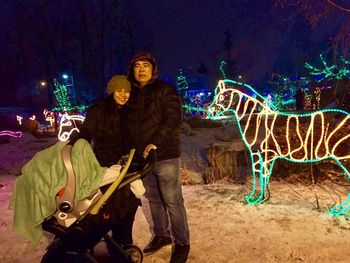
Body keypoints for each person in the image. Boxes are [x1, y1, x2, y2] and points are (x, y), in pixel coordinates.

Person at [125, 52, 190, 263]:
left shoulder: (165, 90)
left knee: (173, 201)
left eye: (145, 65)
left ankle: (181, 243)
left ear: (153, 69)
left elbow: (173, 118)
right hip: (142, 159)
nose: (141, 69)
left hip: (165, 155)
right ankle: (161, 235)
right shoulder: (130, 94)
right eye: (137, 66)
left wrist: (156, 142)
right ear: (132, 70)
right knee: (153, 198)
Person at [69, 75, 140, 255]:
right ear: (111, 91)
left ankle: (123, 245)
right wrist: (74, 144)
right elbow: (86, 132)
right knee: (104, 209)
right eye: (119, 91)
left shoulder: (131, 112)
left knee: (128, 207)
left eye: (127, 91)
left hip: (127, 166)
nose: (123, 95)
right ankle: (89, 246)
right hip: (104, 166)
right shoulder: (99, 110)